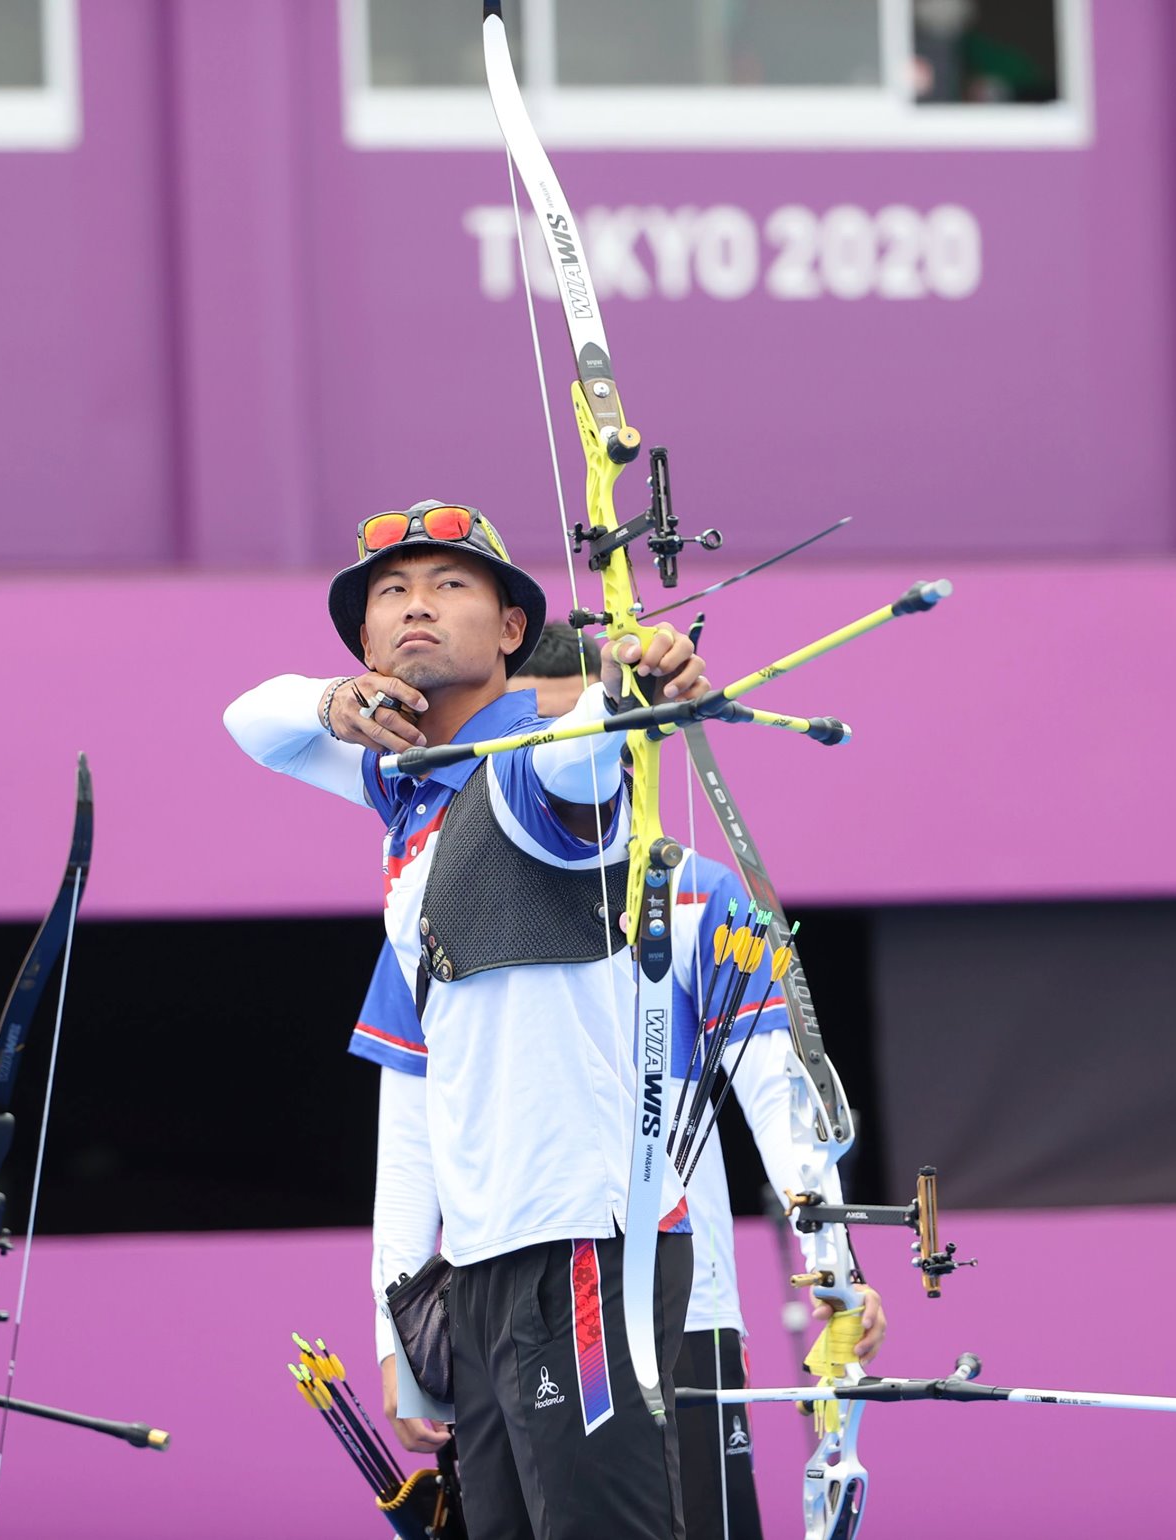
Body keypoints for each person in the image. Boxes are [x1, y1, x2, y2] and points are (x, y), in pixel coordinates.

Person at [227, 500, 728, 1539]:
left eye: (451, 585)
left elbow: (583, 754)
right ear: (364, 645)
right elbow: (251, 720)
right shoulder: (401, 779)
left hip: (591, 1243)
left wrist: (626, 684)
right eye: (390, 593)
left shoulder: (534, 765)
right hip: (484, 1263)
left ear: (508, 630)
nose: (417, 605)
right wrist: (398, 1317)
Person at [342, 645, 881, 1540]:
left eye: (585, 725)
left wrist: (836, 1270)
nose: (561, 750)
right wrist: (395, 1329)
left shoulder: (698, 898)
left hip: (677, 1305)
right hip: (497, 1293)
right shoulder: (439, 904)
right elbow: (410, 1125)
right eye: (537, 731)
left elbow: (779, 1097)